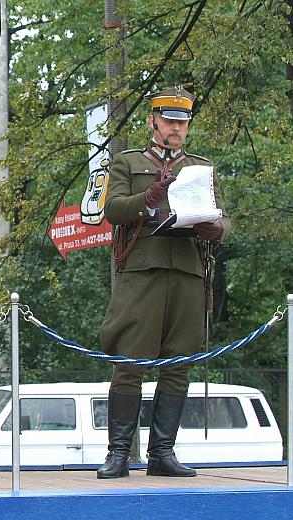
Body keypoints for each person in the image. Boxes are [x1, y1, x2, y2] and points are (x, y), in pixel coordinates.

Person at [97, 86, 231, 479]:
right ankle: (119, 454)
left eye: (182, 123)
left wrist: (215, 228)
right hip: (143, 273)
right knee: (130, 362)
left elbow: (224, 218)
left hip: (188, 271)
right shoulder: (128, 162)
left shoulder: (201, 168)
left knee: (178, 364)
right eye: (169, 121)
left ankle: (162, 454)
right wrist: (150, 196)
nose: (176, 129)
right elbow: (113, 211)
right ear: (153, 122)